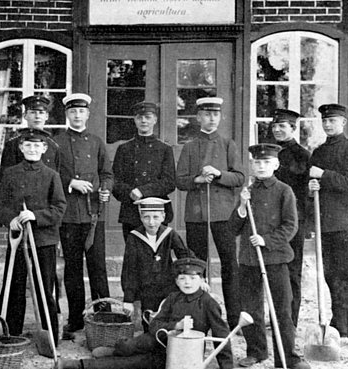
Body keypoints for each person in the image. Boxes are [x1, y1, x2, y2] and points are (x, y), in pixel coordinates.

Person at [57, 258, 234, 369]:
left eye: (193, 278)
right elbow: (154, 324)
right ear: (176, 281)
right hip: (156, 339)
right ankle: (117, 350)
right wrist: (174, 327)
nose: (187, 282)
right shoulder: (173, 298)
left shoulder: (208, 302)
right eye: (182, 278)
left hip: (179, 352)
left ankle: (73, 365)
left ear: (202, 281)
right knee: (129, 347)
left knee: (131, 363)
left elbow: (221, 332)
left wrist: (226, 366)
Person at [229, 143, 311, 369]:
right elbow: (233, 228)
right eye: (257, 162)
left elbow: (291, 226)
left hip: (275, 258)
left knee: (282, 308)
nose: (261, 166)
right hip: (249, 259)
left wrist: (266, 240)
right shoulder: (247, 192)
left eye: (266, 162)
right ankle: (256, 351)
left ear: (276, 165)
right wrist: (242, 207)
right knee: (251, 307)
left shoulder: (285, 190)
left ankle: (289, 356)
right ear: (252, 165)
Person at [175, 97, 244, 330]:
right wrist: (198, 179)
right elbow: (180, 181)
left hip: (224, 214)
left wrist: (218, 174)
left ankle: (234, 318)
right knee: (197, 265)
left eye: (215, 114)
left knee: (230, 265)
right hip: (197, 214)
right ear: (198, 118)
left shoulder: (228, 144)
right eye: (206, 114)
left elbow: (240, 178)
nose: (211, 118)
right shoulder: (190, 146)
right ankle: (198, 316)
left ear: (220, 117)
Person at [308, 104, 348, 352]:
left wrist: (322, 175)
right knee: (331, 276)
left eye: (332, 120)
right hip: (327, 224)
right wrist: (311, 186)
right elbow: (312, 187)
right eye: (325, 121)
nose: (328, 124)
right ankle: (340, 325)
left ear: (343, 123)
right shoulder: (318, 152)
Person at [0, 129, 67, 346]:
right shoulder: (10, 173)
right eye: (28, 145)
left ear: (44, 149)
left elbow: (59, 208)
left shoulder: (51, 175)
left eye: (37, 146)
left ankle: (50, 337)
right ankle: (11, 334)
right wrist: (11, 218)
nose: (32, 149)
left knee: (44, 289)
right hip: (18, 240)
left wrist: (35, 215)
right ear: (21, 148)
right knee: (14, 287)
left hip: (43, 241)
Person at [54, 93, 114, 340]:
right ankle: (75, 319)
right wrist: (71, 183)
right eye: (72, 112)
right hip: (68, 214)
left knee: (98, 266)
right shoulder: (56, 142)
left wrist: (106, 190)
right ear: (67, 114)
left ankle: (104, 316)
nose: (77, 115)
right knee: (73, 269)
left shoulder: (97, 142)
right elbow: (51, 174)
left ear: (88, 114)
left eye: (81, 112)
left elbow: (107, 173)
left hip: (93, 215)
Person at [121, 197, 194, 331]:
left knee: (171, 323)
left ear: (163, 216)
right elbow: (129, 269)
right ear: (140, 218)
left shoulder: (169, 234)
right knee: (150, 325)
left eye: (156, 217)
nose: (151, 222)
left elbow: (185, 255)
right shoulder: (134, 237)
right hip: (147, 289)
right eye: (146, 217)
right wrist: (128, 299)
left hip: (168, 287)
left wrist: (197, 276)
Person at [112, 101, 176, 241]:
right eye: (139, 117)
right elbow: (115, 182)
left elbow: (169, 182)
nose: (144, 121)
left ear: (155, 120)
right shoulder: (124, 149)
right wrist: (130, 193)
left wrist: (143, 191)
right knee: (133, 256)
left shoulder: (165, 149)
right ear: (134, 120)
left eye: (148, 117)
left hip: (157, 211)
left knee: (159, 255)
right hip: (131, 212)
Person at [271, 109, 310, 327]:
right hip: (271, 221)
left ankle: (290, 320)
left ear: (293, 129)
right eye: (275, 126)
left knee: (292, 270)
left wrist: (307, 224)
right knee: (273, 269)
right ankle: (275, 317)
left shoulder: (302, 155)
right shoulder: (269, 153)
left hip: (294, 222)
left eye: (282, 126)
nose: (277, 130)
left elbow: (307, 193)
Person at [0, 95, 60, 178]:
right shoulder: (12, 145)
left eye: (41, 113)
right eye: (33, 112)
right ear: (25, 115)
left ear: (46, 116)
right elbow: (6, 178)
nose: (37, 116)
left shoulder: (53, 147)